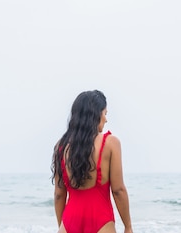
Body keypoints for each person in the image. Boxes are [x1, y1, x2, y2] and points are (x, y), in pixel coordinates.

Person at [51, 90, 133, 233]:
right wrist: (128, 226)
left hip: (69, 222)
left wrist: (62, 225)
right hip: (101, 222)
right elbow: (118, 190)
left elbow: (59, 194)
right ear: (95, 114)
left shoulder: (61, 147)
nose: (106, 119)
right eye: (105, 114)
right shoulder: (110, 143)